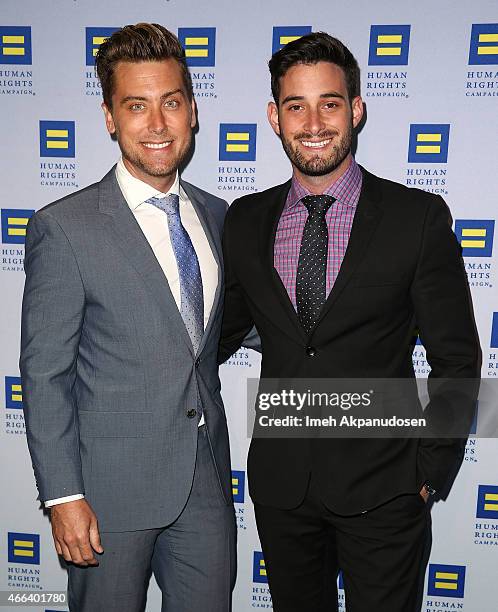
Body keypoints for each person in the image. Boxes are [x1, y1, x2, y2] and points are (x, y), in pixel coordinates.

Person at [219, 32, 480, 612]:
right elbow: (219, 331)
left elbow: (457, 357)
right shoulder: (245, 221)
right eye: (296, 105)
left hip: (387, 490)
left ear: (356, 110)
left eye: (329, 103)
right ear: (274, 116)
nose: (313, 122)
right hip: (283, 491)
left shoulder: (415, 218)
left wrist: (428, 473)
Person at [20, 23, 235, 612]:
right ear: (110, 118)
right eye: (136, 106)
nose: (157, 124)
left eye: (170, 103)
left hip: (206, 485)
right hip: (107, 496)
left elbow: (239, 327)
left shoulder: (220, 217)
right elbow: (45, 376)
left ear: (192, 109)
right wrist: (63, 496)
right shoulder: (64, 228)